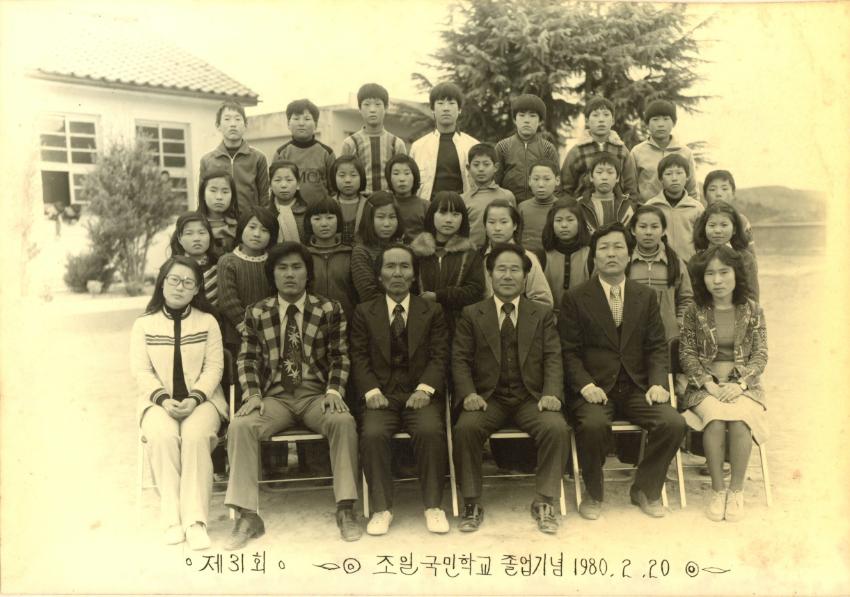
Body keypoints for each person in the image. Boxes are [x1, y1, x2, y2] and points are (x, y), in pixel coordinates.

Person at [224, 242, 361, 547]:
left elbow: (340, 355)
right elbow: (247, 359)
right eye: (282, 268)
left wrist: (334, 390)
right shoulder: (257, 312)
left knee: (343, 421)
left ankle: (346, 509)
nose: (290, 274)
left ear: (308, 274)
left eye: (297, 267)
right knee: (240, 426)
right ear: (272, 274)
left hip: (315, 395)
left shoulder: (329, 309)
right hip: (274, 398)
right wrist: (253, 395)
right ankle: (248, 515)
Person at [559, 222, 686, 520]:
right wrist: (585, 385)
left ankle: (646, 489)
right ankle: (593, 493)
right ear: (594, 257)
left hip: (636, 387)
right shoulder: (576, 298)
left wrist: (657, 383)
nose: (611, 254)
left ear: (629, 255)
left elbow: (656, 346)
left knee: (673, 423)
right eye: (604, 248)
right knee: (591, 426)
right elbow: (568, 352)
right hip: (595, 389)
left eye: (618, 247)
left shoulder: (646, 296)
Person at [452, 243, 569, 535]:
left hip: (530, 398)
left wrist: (551, 393)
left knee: (556, 427)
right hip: (487, 398)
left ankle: (545, 501)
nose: (507, 275)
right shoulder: (472, 313)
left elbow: (553, 356)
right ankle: (471, 502)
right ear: (490, 274)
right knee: (466, 428)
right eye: (501, 269)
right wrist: (469, 394)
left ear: (526, 276)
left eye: (514, 270)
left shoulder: (541, 314)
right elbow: (460, 359)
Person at [351, 244, 451, 535]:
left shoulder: (431, 311)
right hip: (381, 396)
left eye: (404, 266)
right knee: (372, 434)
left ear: (414, 274)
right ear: (379, 275)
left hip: (419, 395)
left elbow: (440, 356)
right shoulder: (364, 312)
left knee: (431, 431)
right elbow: (358, 356)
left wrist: (425, 390)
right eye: (390, 266)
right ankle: (381, 509)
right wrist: (371, 392)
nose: (397, 273)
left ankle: (433, 506)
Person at [131, 256, 228, 550]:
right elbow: (141, 371)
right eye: (173, 280)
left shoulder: (207, 322)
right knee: (163, 436)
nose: (180, 287)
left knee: (196, 436)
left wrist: (195, 398)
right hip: (157, 402)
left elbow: (215, 368)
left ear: (197, 289)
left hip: (204, 401)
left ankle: (195, 522)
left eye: (188, 282)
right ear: (162, 283)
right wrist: (163, 399)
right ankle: (172, 520)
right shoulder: (143, 325)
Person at [679, 245, 768, 522]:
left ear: (736, 274)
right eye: (710, 274)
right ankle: (718, 491)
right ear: (701, 278)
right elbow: (687, 353)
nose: (717, 280)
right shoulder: (695, 311)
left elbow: (760, 354)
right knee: (715, 419)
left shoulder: (752, 310)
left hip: (744, 386)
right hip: (704, 387)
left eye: (724, 272)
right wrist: (708, 384)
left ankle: (736, 491)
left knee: (740, 420)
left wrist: (740, 385)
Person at [410, 191, 485, 335]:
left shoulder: (470, 254)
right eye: (443, 213)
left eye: (455, 214)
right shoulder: (417, 253)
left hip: (459, 328)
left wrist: (439, 296)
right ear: (432, 215)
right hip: (422, 326)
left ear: (463, 218)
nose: (449, 220)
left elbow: (475, 290)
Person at [216, 208, 279, 357]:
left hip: (270, 331)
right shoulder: (228, 261)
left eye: (264, 230)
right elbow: (228, 300)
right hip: (237, 334)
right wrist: (247, 328)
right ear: (242, 228)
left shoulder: (274, 261)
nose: (257, 234)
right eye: (252, 227)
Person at [628, 204, 694, 340]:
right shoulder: (625, 262)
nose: (648, 232)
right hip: (631, 337)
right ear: (633, 230)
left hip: (667, 338)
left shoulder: (674, 262)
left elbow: (686, 298)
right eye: (642, 227)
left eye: (654, 227)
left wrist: (678, 323)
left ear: (663, 231)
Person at [409, 82, 479, 200]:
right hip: (428, 207)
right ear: (432, 109)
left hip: (463, 207)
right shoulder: (418, 147)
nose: (446, 108)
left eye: (451, 103)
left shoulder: (473, 145)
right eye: (440, 103)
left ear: (459, 109)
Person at [199, 100, 270, 215]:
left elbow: (264, 197)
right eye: (227, 119)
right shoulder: (207, 160)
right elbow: (201, 198)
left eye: (237, 119)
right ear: (218, 125)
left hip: (249, 220)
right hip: (218, 221)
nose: (233, 124)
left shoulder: (258, 158)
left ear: (245, 125)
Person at [560, 96, 638, 201]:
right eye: (595, 115)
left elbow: (631, 188)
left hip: (616, 207)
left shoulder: (621, 150)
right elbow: (566, 188)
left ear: (613, 121)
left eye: (606, 115)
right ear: (587, 121)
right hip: (583, 207)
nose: (601, 120)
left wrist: (628, 207)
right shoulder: (577, 151)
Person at [480, 199, 553, 307]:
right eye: (491, 222)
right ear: (485, 226)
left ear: (514, 225)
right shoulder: (478, 257)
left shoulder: (527, 257)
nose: (497, 228)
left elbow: (544, 301)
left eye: (504, 222)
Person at [340, 83, 408, 194]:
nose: (372, 109)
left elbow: (403, 175)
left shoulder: (396, 143)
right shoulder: (350, 143)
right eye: (367, 104)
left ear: (386, 107)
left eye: (377, 104)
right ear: (359, 108)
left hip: (390, 201)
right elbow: (343, 175)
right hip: (360, 201)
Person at [494, 94, 560, 204]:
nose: (526, 120)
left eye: (532, 116)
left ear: (540, 121)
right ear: (514, 120)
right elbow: (494, 182)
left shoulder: (547, 148)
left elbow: (556, 185)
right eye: (522, 115)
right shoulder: (503, 147)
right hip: (509, 205)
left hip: (539, 204)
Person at [630, 99, 699, 204]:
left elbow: (692, 190)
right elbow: (630, 189)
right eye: (655, 119)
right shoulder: (637, 152)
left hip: (679, 211)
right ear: (647, 124)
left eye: (666, 119)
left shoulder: (685, 152)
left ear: (674, 123)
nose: (661, 124)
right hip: (647, 211)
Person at [693, 200, 760, 302]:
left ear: (734, 229)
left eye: (724, 225)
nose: (717, 230)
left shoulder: (746, 259)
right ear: (704, 228)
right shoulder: (697, 260)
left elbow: (753, 298)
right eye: (712, 225)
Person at [272, 99, 335, 205]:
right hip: (289, 211)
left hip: (321, 211)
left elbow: (334, 190)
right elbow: (275, 188)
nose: (301, 123)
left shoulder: (327, 153)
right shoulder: (281, 153)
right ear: (288, 124)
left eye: (307, 119)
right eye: (296, 119)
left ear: (315, 124)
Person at [303, 197, 357, 320]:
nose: (324, 224)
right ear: (309, 222)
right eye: (317, 218)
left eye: (330, 217)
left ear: (339, 220)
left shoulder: (351, 253)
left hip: (347, 319)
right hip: (312, 321)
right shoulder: (303, 255)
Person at [645, 154, 704, 261]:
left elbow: (702, 240)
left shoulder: (696, 208)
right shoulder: (651, 206)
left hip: (690, 264)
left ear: (687, 176)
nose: (674, 178)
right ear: (660, 179)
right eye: (668, 174)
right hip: (660, 264)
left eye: (679, 173)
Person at [351, 191, 406, 303]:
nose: (387, 223)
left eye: (392, 217)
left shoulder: (402, 248)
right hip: (376, 310)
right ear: (369, 219)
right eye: (381, 217)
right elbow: (369, 294)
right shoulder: (361, 252)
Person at [540, 198, 591, 316]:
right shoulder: (542, 256)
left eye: (570, 220)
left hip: (584, 318)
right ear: (551, 224)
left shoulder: (590, 256)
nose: (564, 225)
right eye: (558, 220)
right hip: (549, 319)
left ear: (580, 223)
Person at [461, 143, 516, 248]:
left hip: (502, 250)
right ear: (468, 168)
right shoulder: (463, 199)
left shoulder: (507, 196)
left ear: (496, 167)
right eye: (476, 165)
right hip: (472, 252)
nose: (481, 169)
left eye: (486, 164)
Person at [576, 154, 636, 234]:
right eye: (599, 172)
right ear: (591, 177)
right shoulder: (580, 205)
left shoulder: (627, 205)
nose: (604, 177)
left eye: (610, 172)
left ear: (617, 178)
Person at [169, 212, 219, 306]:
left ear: (210, 236)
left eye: (202, 232)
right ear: (179, 239)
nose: (196, 238)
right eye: (189, 233)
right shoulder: (172, 269)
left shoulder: (220, 266)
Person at [703, 169, 754, 250]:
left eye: (724, 189)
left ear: (733, 193)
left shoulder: (742, 221)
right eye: (712, 189)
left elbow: (750, 254)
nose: (718, 194)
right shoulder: (698, 219)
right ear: (705, 195)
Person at [518, 160, 560, 258]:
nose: (541, 184)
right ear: (529, 181)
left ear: (557, 180)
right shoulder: (522, 207)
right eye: (536, 179)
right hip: (527, 259)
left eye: (547, 179)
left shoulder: (562, 208)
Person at [385, 154, 429, 241]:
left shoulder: (425, 206)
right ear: (389, 178)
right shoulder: (384, 204)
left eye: (407, 173)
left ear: (415, 176)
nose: (402, 179)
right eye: (396, 173)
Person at [197, 170, 239, 259]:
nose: (219, 197)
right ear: (203, 195)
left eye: (225, 192)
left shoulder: (240, 224)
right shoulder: (192, 223)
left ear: (232, 196)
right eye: (213, 191)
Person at [329, 155, 368, 245]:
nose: (347, 180)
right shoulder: (328, 204)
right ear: (334, 178)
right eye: (342, 175)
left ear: (361, 177)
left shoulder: (368, 204)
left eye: (353, 175)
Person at [269, 160, 308, 244]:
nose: (283, 185)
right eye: (277, 180)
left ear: (298, 184)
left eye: (289, 180)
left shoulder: (307, 213)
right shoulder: (265, 214)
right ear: (270, 185)